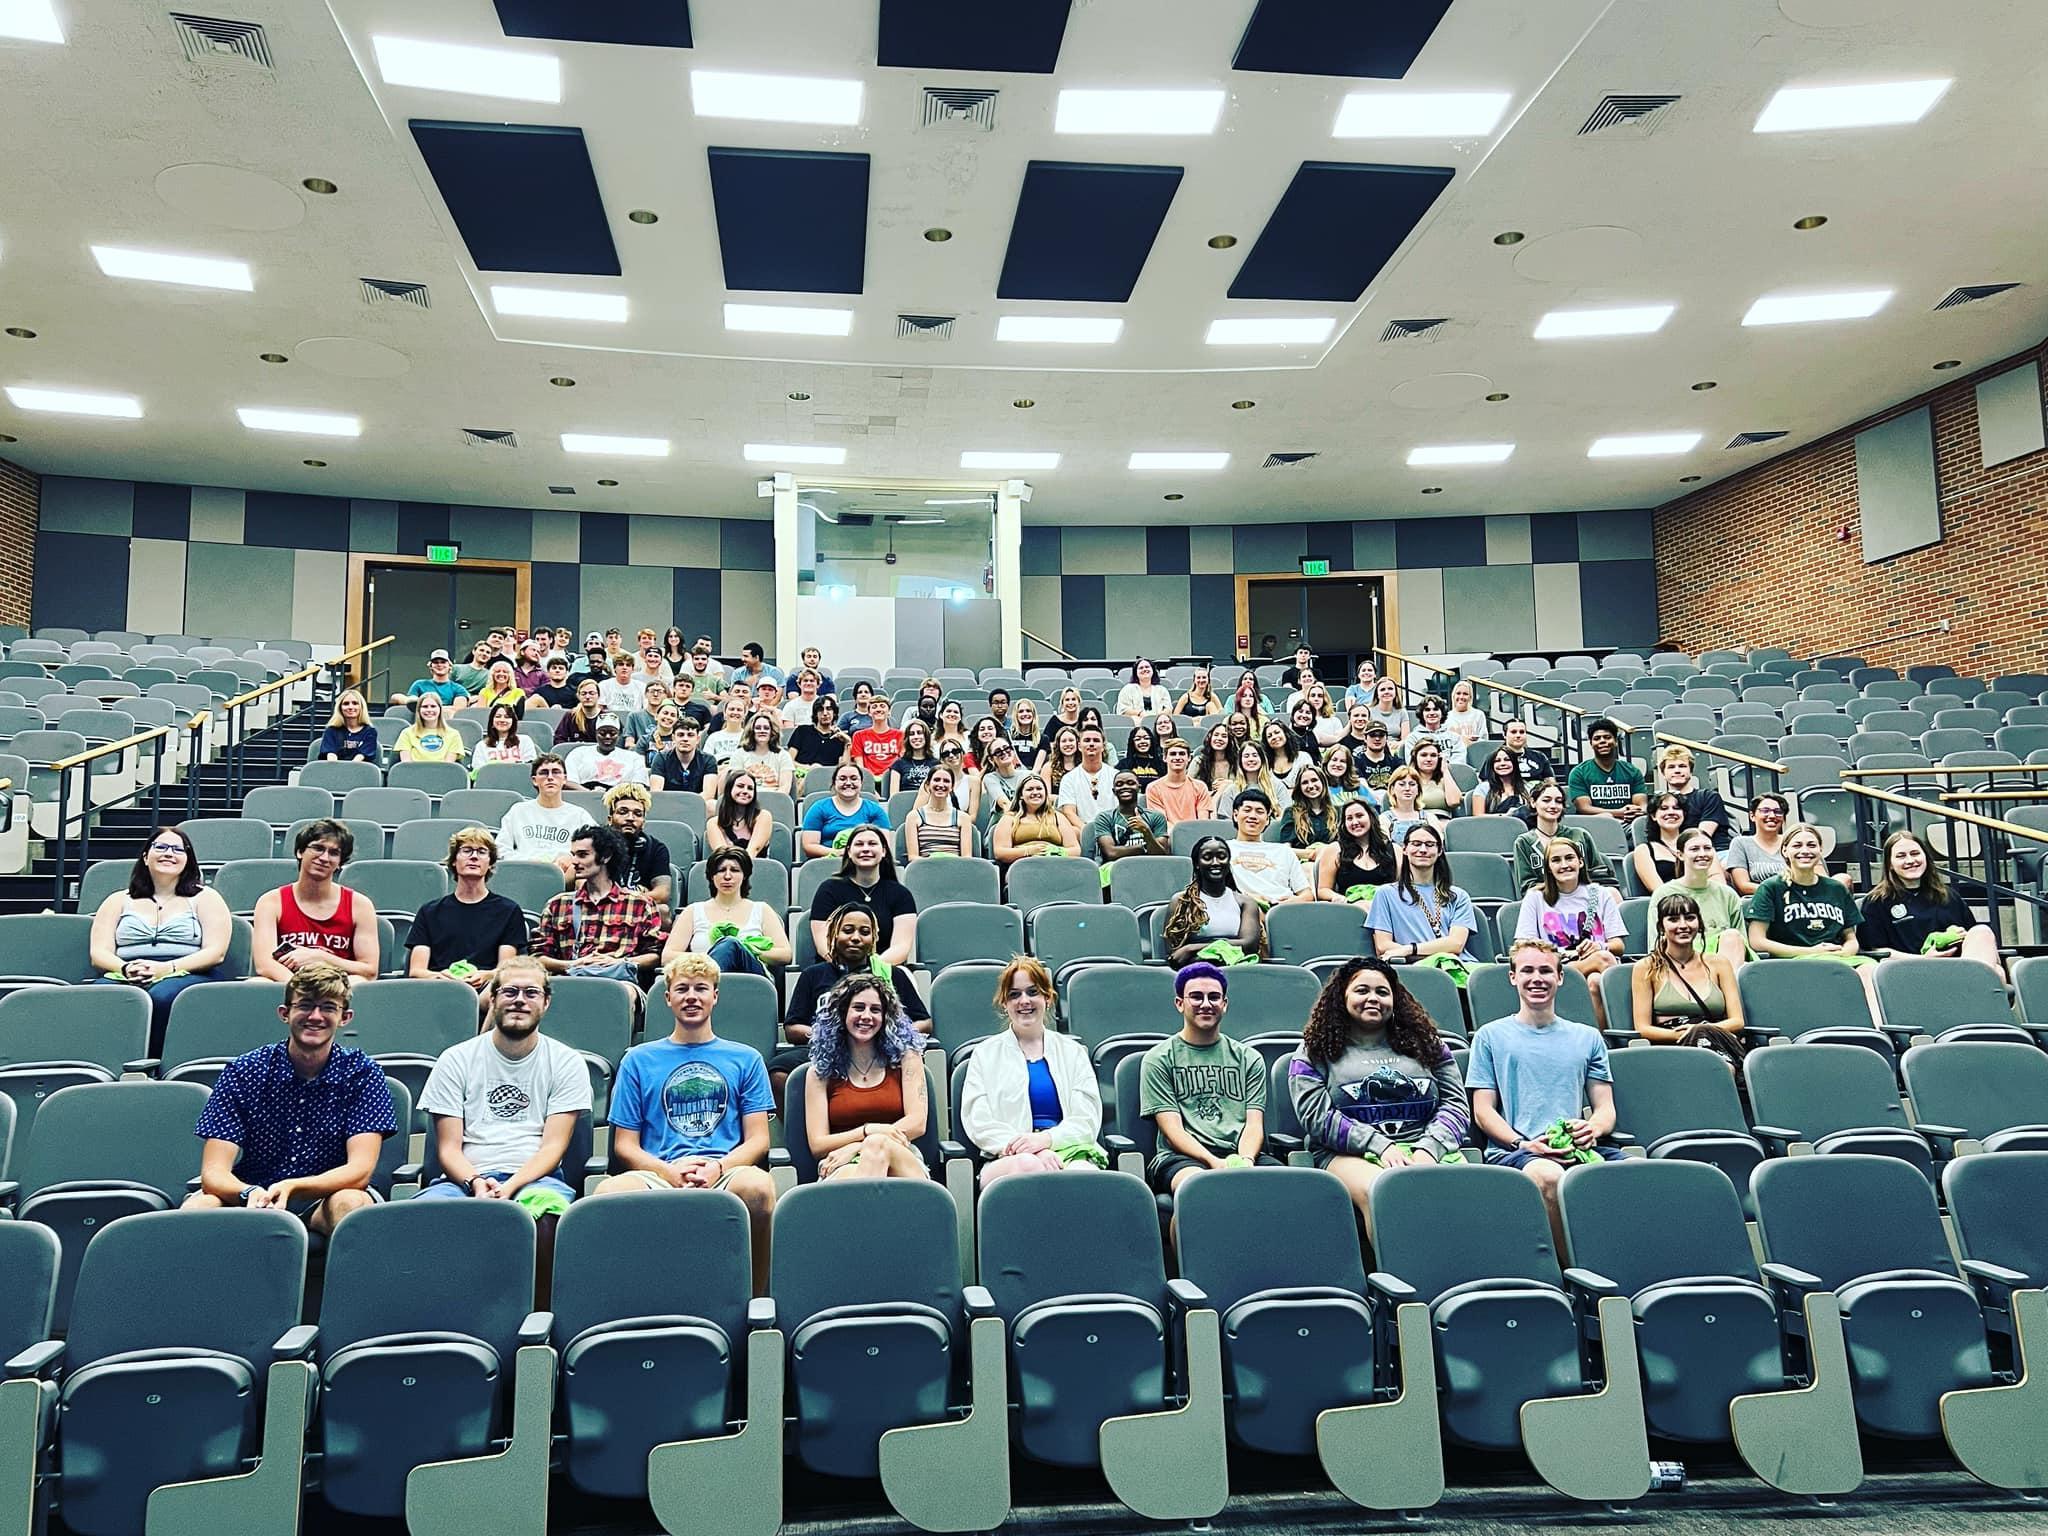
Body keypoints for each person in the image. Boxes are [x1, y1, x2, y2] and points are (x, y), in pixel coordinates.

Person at [596, 954, 777, 1291]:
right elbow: (624, 1145)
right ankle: (628, 1297)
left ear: (715, 996)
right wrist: (668, 1172)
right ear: (667, 998)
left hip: (724, 1169)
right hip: (657, 1172)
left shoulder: (746, 1058)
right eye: (681, 989)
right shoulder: (637, 1060)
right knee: (608, 1193)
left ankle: (755, 1295)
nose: (691, 997)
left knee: (758, 1189)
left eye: (700, 989)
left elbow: (757, 1141)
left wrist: (717, 1169)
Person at [184, 961, 396, 1231]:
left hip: (328, 1196)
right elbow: (213, 1173)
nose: (316, 1016)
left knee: (351, 1202)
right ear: (285, 1013)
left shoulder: (363, 1074)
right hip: (255, 1196)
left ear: (345, 1018)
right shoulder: (244, 1071)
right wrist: (249, 1193)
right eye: (305, 1005)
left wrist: (293, 1187)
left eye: (328, 1007)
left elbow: (359, 1172)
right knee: (198, 1207)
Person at [1288, 957, 1469, 1221]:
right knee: (1387, 1192)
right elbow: (1317, 1118)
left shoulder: (1429, 1044)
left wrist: (1429, 1148)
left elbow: (1456, 1106)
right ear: (1342, 997)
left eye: (1382, 992)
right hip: (1348, 1154)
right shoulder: (1312, 1051)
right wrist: (1380, 1145)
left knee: (1470, 1196)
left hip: (1427, 1149)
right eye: (1362, 990)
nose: (1373, 998)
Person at [1467, 939, 1622, 1244]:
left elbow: (1605, 1108)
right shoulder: (1489, 1036)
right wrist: (1522, 1144)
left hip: (1578, 1149)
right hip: (1516, 1153)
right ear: (1513, 977)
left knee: (1645, 1175)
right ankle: (1577, 1272)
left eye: (1545, 971)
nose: (1536, 978)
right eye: (1527, 970)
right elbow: (1483, 1111)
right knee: (1551, 1178)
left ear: (1560, 977)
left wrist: (1591, 1129)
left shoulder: (1588, 1037)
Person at [957, 957, 1102, 1185]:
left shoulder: (1073, 1052)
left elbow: (1087, 1120)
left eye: (1032, 992)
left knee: (1084, 1176)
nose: (1024, 1001)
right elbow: (979, 1121)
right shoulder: (984, 1054)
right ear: (1004, 1003)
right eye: (1014, 994)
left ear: (1048, 997)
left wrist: (1047, 1140)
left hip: (1068, 1151)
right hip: (1006, 1157)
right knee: (1030, 1166)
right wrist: (1030, 1149)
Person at [1140, 963, 1276, 1194]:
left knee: (1292, 1188)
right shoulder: (1158, 1059)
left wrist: (1245, 1161)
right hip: (1180, 1159)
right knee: (1201, 1190)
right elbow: (1173, 1132)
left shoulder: (1249, 1058)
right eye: (1196, 997)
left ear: (1224, 1004)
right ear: (1180, 1004)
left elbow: (1254, 1125)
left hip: (1240, 1154)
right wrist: (1213, 1162)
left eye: (1214, 997)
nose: (1206, 1004)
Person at [90, 825, 232, 1048]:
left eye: (178, 849)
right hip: (129, 972)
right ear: (146, 857)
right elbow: (99, 953)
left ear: (188, 860)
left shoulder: (206, 897)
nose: (168, 853)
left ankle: (153, 1063)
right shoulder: (117, 900)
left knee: (162, 995)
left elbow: (216, 952)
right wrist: (126, 969)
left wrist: (166, 969)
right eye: (161, 847)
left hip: (190, 973)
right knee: (99, 994)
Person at [776, 902, 930, 1091]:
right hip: (824, 1050)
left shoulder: (892, 975)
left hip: (879, 1051)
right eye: (848, 930)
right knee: (779, 1071)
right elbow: (792, 1028)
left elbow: (924, 1022)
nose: (855, 937)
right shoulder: (812, 975)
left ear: (873, 938)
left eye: (864, 932)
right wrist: (833, 1037)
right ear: (834, 934)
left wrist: (887, 1036)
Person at [803, 971, 931, 1181]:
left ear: (886, 1017)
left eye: (876, 1010)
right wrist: (867, 1131)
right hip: (840, 1162)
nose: (866, 1016)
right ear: (842, 1013)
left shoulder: (907, 1058)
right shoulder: (819, 1072)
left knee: (878, 1145)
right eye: (859, 1008)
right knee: (854, 1175)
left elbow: (917, 1123)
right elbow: (818, 1144)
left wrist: (860, 1144)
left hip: (901, 1156)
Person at [1744, 824, 1878, 1008]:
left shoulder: (1836, 889)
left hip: (1839, 959)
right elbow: (1757, 941)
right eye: (1797, 845)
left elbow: (1851, 937)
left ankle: (1878, 1029)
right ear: (1785, 850)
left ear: (1821, 850)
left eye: (1811, 845)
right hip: (1792, 962)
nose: (1805, 851)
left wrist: (1846, 952)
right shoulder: (1771, 888)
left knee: (1871, 970)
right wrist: (1812, 951)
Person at [1858, 828, 2004, 975]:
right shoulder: (1876, 901)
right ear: (1890, 864)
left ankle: (1968, 985)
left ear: (1925, 857)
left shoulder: (1948, 895)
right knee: (1997, 973)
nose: (1910, 860)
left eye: (1915, 854)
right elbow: (1877, 951)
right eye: (1901, 856)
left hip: (1955, 966)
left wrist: (1960, 935)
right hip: (1909, 971)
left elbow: (1970, 936)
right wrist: (1924, 959)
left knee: (1983, 934)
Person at [1515, 837, 1625, 1028]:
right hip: (1556, 968)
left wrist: (1599, 945)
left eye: (1569, 858)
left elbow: (1618, 945)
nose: (1564, 865)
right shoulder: (1535, 898)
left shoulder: (1599, 894)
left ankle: (1601, 1038)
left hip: (1596, 965)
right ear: (1548, 867)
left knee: (1595, 981)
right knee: (1604, 960)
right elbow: (1524, 948)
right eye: (1556, 860)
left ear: (1580, 862)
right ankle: (1621, 1032)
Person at [534, 825, 666, 982]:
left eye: (583, 855)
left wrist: (620, 962)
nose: (574, 862)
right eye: (573, 855)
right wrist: (572, 964)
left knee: (624, 994)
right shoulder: (558, 904)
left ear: (606, 856)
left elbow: (655, 955)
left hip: (619, 981)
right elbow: (539, 957)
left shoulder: (639, 903)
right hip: (570, 980)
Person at [253, 820, 379, 982]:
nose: (324, 858)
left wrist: (321, 957)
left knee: (360, 982)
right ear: (300, 852)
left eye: (334, 853)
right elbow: (264, 964)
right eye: (318, 848)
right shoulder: (271, 902)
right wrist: (300, 989)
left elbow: (369, 971)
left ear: (340, 862)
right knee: (259, 983)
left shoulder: (360, 905)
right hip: (288, 984)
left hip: (338, 988)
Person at [406, 828, 528, 990]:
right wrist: (440, 977)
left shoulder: (509, 910)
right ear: (454, 861)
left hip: (487, 989)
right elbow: (417, 971)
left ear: (490, 863)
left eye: (482, 852)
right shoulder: (429, 912)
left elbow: (504, 970)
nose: (474, 856)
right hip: (437, 987)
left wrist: (486, 975)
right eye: (467, 850)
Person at [1631, 892, 1746, 1046]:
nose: (1683, 925)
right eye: (1673, 919)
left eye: (1690, 918)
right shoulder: (1646, 967)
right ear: (1661, 926)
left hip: (1715, 1039)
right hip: (1672, 1043)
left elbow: (1737, 1021)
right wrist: (1685, 1034)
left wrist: (1701, 1030)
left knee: (1721, 1066)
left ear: (1699, 924)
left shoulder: (1720, 964)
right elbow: (1642, 1028)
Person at [662, 846, 793, 976]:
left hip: (750, 979)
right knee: (727, 945)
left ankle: (710, 986)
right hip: (699, 975)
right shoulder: (693, 911)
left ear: (745, 876)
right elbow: (667, 956)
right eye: (721, 870)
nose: (727, 876)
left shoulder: (762, 909)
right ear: (712, 876)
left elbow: (785, 954)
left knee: (731, 944)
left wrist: (748, 949)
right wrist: (705, 958)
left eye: (735, 870)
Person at [806, 826, 917, 968]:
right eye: (859, 844)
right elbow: (823, 943)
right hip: (836, 968)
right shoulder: (829, 889)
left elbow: (901, 946)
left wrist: (871, 968)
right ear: (849, 852)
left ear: (883, 851)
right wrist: (847, 966)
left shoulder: (901, 894)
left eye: (872, 844)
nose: (865, 849)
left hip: (882, 970)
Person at [1367, 823, 1477, 964]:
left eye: (1430, 844)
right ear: (1405, 849)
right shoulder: (1385, 894)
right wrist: (1428, 957)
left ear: (1440, 851)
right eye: (1416, 844)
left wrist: (1410, 949)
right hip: (1412, 969)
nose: (1423, 850)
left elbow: (1456, 944)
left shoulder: (1458, 896)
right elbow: (1383, 945)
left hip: (1456, 968)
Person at [1163, 835, 1265, 965]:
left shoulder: (1245, 902)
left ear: (1228, 862)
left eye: (1222, 857)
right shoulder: (1182, 901)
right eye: (1207, 857)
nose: (1216, 862)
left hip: (1237, 968)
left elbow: (1249, 945)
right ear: (1197, 864)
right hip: (1195, 970)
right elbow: (1175, 954)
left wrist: (1192, 948)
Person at [1649, 829, 1746, 960]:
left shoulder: (1727, 894)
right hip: (1681, 963)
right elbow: (1656, 944)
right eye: (1694, 849)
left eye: (1707, 848)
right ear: (1680, 855)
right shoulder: (1664, 894)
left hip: (1725, 967)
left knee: (1732, 936)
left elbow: (1741, 943)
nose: (1702, 854)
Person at [1511, 778, 1614, 893]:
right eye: (1546, 800)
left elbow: (1600, 874)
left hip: (1585, 897)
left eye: (1558, 801)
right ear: (1533, 802)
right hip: (1547, 901)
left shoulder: (1580, 835)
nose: (1553, 805)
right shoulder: (1524, 842)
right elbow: (1528, 888)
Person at [497, 754, 593, 875]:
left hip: (565, 874)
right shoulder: (517, 811)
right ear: (534, 780)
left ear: (564, 779)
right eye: (544, 773)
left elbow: (595, 847)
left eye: (556, 772)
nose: (550, 777)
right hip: (523, 872)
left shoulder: (579, 815)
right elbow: (501, 849)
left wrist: (572, 858)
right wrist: (525, 861)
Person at [1223, 790, 1312, 908]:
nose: (1253, 816)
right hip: (1241, 907)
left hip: (1281, 909)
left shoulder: (1283, 851)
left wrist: (1289, 902)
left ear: (1268, 819)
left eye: (1259, 812)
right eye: (1247, 810)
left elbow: (1307, 894)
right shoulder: (1223, 849)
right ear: (1235, 815)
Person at [604, 783, 673, 914]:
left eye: (637, 813)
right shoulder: (595, 845)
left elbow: (662, 893)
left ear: (643, 822)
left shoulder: (656, 848)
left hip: (637, 909)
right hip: (602, 905)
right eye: (623, 812)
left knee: (663, 911)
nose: (630, 818)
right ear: (610, 819)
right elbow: (582, 884)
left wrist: (627, 901)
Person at [800, 761, 891, 860]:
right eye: (842, 779)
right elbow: (809, 846)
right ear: (834, 783)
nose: (848, 783)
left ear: (861, 783)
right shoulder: (819, 808)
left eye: (854, 778)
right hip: (828, 862)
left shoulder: (875, 810)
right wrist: (839, 853)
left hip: (866, 862)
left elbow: (884, 846)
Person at [1317, 796, 1398, 906]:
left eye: (1359, 816)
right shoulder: (1334, 849)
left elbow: (1403, 886)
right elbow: (1323, 890)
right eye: (1349, 818)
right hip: (1351, 909)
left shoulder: (1395, 850)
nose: (1355, 822)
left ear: (1371, 817)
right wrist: (1337, 897)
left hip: (1386, 909)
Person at [1567, 718, 1647, 822]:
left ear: (1616, 741)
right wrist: (1619, 812)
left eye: (1607, 737)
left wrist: (1637, 811)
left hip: (1628, 823)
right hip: (1595, 823)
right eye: (1597, 738)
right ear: (1591, 743)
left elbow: (1642, 805)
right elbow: (1584, 808)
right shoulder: (1579, 772)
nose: (1602, 741)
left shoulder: (1632, 771)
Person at [992, 773, 1080, 864]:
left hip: (1055, 865)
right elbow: (1000, 852)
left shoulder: (1058, 817)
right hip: (1022, 867)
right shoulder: (1009, 818)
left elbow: (1075, 850)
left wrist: (1056, 852)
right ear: (1021, 795)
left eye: (1039, 789)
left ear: (1045, 793)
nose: (1035, 792)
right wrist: (1029, 851)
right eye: (1030, 789)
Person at [1087, 770, 1168, 863]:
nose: (1125, 787)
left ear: (1139, 788)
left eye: (1131, 783)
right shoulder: (1104, 818)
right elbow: (1111, 853)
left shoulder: (1156, 817)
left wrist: (1146, 831)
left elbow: (1162, 855)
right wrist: (1144, 848)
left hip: (1149, 869)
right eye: (1119, 784)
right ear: (1114, 791)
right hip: (1117, 871)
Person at [1656, 746, 1729, 848]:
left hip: (1715, 850)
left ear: (1690, 771)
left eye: (1682, 766)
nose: (1677, 771)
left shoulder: (1709, 797)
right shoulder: (1658, 803)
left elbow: (1701, 837)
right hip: (1676, 854)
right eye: (1671, 767)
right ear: (1663, 773)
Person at [1725, 792, 1791, 897]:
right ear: (1752, 816)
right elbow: (1743, 886)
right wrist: (1780, 892)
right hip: (1758, 903)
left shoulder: (1792, 841)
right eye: (1765, 811)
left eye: (1778, 812)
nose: (1772, 816)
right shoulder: (1741, 843)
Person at [562, 714, 651, 790]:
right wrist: (589, 794)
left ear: (619, 735)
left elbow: (639, 785)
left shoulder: (634, 757)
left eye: (612, 733)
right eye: (602, 733)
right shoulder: (578, 753)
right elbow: (569, 782)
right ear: (596, 733)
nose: (607, 737)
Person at [1056, 725, 1117, 830]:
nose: (1091, 744)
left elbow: (1121, 810)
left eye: (1096, 740)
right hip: (1083, 831)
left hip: (1113, 829)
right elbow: (1069, 812)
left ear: (1103, 746)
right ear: (1079, 746)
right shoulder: (1069, 779)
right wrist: (1088, 831)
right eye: (1087, 740)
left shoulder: (1116, 776)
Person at [902, 765, 969, 860]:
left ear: (952, 787)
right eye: (937, 780)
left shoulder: (963, 818)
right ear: (928, 785)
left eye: (946, 781)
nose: (941, 784)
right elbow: (912, 857)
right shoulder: (913, 817)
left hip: (955, 870)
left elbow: (966, 858)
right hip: (925, 870)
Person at [1631, 792, 1692, 893]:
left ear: (1684, 814)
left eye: (1676, 808)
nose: (1671, 812)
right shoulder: (1643, 850)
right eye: (1664, 808)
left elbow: (1716, 879)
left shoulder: (1699, 844)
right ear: (1653, 816)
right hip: (1669, 904)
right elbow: (1659, 890)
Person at [1146, 738, 1215, 827]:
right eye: (1173, 754)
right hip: (1168, 837)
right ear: (1164, 758)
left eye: (1182, 754)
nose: (1177, 758)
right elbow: (1162, 824)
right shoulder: (1153, 788)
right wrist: (1181, 834)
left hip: (1196, 835)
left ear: (1189, 758)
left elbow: (1203, 821)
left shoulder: (1200, 787)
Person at [648, 715, 720, 799]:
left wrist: (686, 805)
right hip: (668, 805)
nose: (685, 739)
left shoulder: (709, 760)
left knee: (711, 805)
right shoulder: (661, 758)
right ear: (673, 738)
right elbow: (656, 793)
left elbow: (708, 794)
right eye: (681, 735)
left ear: (697, 739)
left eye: (690, 735)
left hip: (697, 805)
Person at [706, 769, 773, 859]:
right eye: (740, 786)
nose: (745, 791)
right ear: (729, 789)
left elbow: (753, 850)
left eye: (750, 788)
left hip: (758, 870)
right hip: (727, 871)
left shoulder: (763, 817)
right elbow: (722, 855)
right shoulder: (714, 823)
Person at [1278, 764, 1339, 859]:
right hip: (1302, 863)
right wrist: (1311, 854)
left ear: (1323, 782)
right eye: (1305, 782)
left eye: (1314, 780)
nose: (1310, 786)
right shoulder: (1291, 812)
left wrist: (1325, 852)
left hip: (1332, 861)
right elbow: (1286, 849)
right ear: (1299, 787)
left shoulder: (1338, 811)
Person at [727, 711, 794, 795]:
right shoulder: (739, 754)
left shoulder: (783, 755)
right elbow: (736, 786)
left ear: (772, 732)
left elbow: (785, 788)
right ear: (751, 731)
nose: (762, 731)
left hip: (774, 800)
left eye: (766, 728)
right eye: (758, 728)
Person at [1217, 741, 1291, 819]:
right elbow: (1225, 821)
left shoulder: (1277, 786)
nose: (1251, 759)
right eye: (1246, 756)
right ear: (1240, 761)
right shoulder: (1231, 790)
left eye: (1255, 755)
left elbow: (1287, 816)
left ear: (1262, 759)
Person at [789, 695, 849, 781]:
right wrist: (811, 769)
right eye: (821, 710)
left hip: (829, 779)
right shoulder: (802, 731)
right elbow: (789, 761)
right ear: (816, 714)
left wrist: (847, 743)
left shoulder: (839, 738)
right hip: (802, 775)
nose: (825, 713)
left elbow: (843, 768)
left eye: (829, 709)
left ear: (834, 713)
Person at [394, 691, 465, 764]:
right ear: (419, 710)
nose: (429, 710)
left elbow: (448, 766)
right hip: (414, 774)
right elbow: (406, 766)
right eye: (425, 706)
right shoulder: (407, 733)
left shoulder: (453, 734)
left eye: (433, 706)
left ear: (440, 709)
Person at [846, 694, 904, 781]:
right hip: (868, 779)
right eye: (874, 707)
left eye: (882, 706)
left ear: (889, 712)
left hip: (892, 778)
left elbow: (902, 762)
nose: (878, 709)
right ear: (869, 712)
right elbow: (860, 765)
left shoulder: (900, 735)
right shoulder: (859, 735)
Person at [392, 648, 470, 712]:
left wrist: (424, 707)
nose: (439, 665)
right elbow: (405, 701)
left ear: (449, 666)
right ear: (430, 666)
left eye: (443, 662)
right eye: (436, 662)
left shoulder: (459, 689)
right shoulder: (419, 684)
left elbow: (458, 710)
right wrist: (411, 701)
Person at [471, 702, 535, 772]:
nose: (502, 720)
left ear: (513, 721)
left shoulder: (525, 741)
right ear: (492, 721)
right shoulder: (481, 745)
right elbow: (477, 772)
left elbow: (530, 767)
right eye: (498, 716)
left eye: (507, 717)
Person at [318, 689, 379, 762]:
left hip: (358, 771)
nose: (350, 707)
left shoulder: (370, 732)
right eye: (346, 704)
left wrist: (347, 771)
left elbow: (359, 759)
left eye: (355, 703)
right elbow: (331, 757)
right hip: (334, 770)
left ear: (361, 707)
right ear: (340, 708)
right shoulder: (331, 730)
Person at [886, 717, 940, 798]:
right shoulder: (898, 764)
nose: (916, 737)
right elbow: (894, 796)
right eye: (912, 734)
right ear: (907, 739)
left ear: (926, 736)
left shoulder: (937, 764)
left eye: (919, 733)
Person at [1407, 740, 1460, 820]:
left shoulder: (1445, 779)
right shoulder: (1407, 780)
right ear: (1415, 757)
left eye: (1433, 755)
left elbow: (1454, 802)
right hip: (1415, 822)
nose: (1429, 759)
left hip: (1442, 822)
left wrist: (1445, 770)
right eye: (1423, 755)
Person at [1381, 767, 1429, 850]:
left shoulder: (1429, 818)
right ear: (1392, 789)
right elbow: (1384, 848)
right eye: (1402, 784)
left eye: (1412, 784)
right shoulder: (1384, 819)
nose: (1407, 788)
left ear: (1418, 790)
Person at [1352, 719, 1403, 794]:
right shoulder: (1356, 762)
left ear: (1386, 739)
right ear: (1365, 738)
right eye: (1372, 735)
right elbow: (1362, 786)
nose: (1377, 739)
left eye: (1381, 735)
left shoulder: (1396, 761)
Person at [553, 677, 606, 746]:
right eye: (583, 693)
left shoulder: (606, 717)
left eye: (591, 693)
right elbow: (559, 739)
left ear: (598, 695)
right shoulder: (571, 716)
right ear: (578, 696)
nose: (587, 697)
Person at [1408, 695, 1462, 761]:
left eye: (1435, 709)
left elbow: (1459, 763)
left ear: (1442, 713)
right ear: (1421, 714)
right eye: (1427, 710)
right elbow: (1412, 763)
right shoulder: (1413, 738)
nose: (1431, 713)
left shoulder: (1455, 738)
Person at [1500, 718, 1554, 783]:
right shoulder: (1495, 758)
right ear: (1504, 734)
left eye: (1522, 732)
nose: (1518, 735)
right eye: (1513, 732)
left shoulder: (1540, 757)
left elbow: (1551, 783)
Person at [598, 652, 648, 717]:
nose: (624, 668)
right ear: (614, 668)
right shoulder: (603, 685)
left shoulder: (642, 686)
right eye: (621, 664)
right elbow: (600, 708)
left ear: (632, 669)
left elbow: (646, 709)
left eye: (628, 665)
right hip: (610, 720)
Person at [1443, 680, 1489, 751]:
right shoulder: (1446, 717)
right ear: (1453, 696)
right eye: (1458, 693)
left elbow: (1484, 740)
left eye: (1465, 694)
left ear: (1470, 697)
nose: (1461, 697)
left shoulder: (1478, 715)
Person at [1118, 724, 1166, 789]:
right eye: (1138, 739)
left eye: (1146, 738)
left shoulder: (1161, 764)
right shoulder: (1123, 765)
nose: (1142, 741)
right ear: (1132, 743)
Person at [1367, 677, 1410, 745]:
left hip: (1396, 748)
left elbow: (1405, 739)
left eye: (1390, 689)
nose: (1387, 692)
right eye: (1382, 690)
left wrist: (1397, 745)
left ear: (1395, 692)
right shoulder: (1368, 711)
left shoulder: (1402, 711)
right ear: (1377, 694)